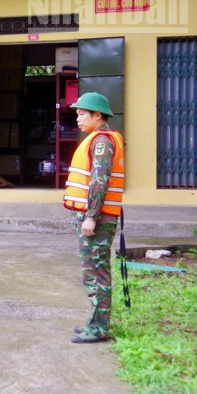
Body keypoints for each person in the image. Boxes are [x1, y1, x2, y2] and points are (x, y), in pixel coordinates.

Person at [63, 92, 125, 344]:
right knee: (92, 272)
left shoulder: (102, 141)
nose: (77, 118)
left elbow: (100, 181)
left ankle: (99, 329)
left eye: (81, 114)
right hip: (96, 216)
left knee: (97, 273)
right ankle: (94, 323)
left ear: (97, 115)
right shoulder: (98, 139)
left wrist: (91, 217)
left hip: (97, 220)